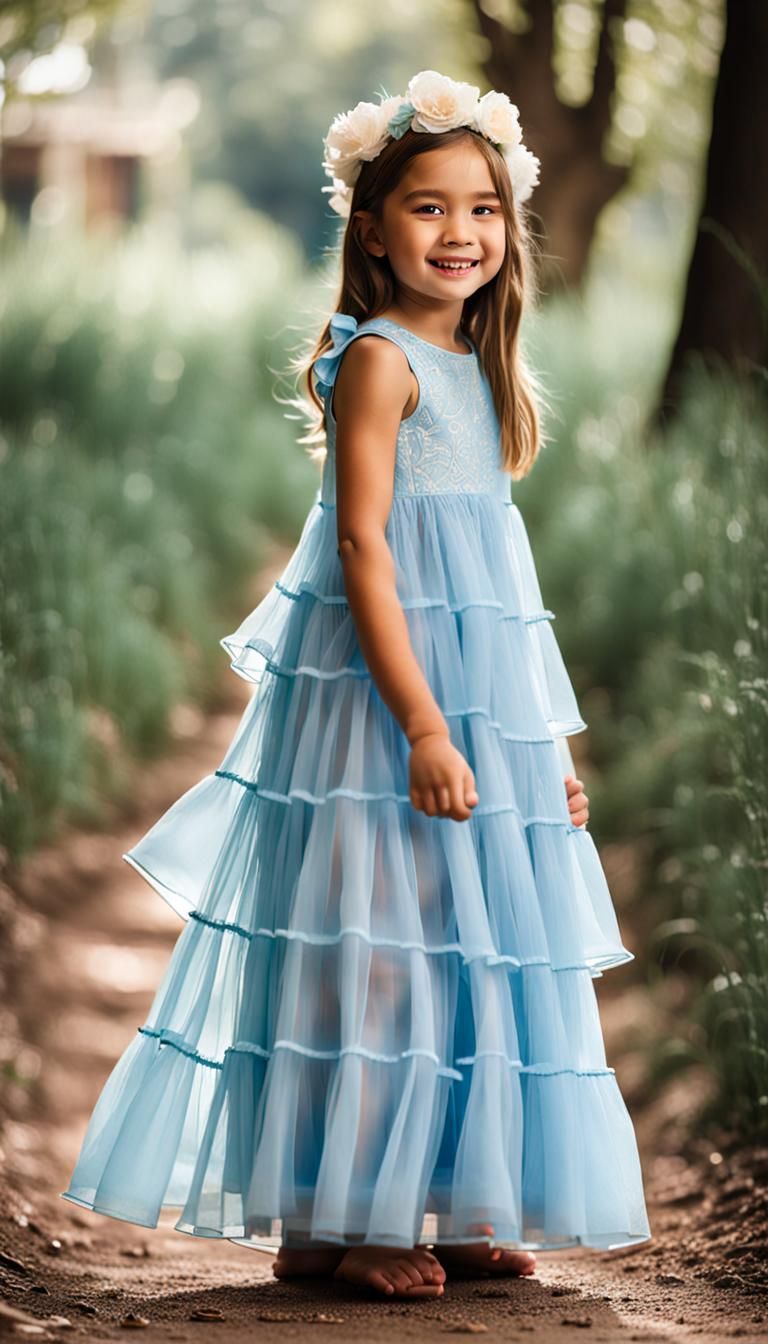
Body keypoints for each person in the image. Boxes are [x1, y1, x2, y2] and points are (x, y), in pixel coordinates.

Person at [60, 69, 652, 1300]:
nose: (460, 234)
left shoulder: (484, 373)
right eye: (429, 209)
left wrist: (545, 746)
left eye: (482, 209)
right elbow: (365, 550)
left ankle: (456, 1195)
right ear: (372, 228)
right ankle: (350, 1215)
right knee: (373, 945)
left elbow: (503, 601)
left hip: (477, 702)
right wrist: (425, 724)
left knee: (472, 941)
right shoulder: (377, 361)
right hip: (380, 701)